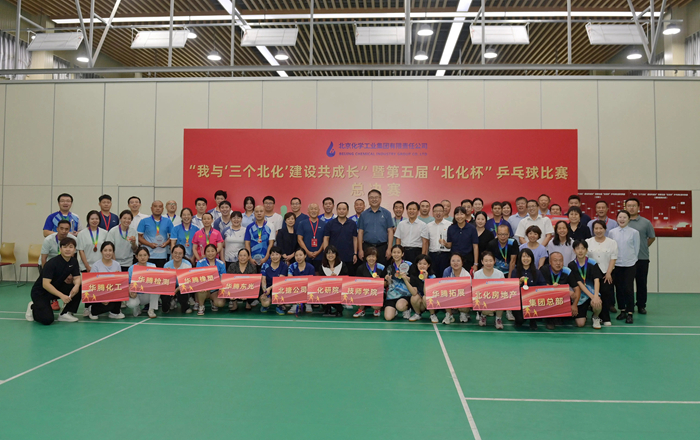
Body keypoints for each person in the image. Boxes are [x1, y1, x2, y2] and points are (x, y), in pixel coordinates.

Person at [26, 237, 82, 325]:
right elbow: (45, 284)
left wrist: (77, 286)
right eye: (65, 247)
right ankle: (33, 306)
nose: (68, 249)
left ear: (75, 249)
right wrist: (62, 296)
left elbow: (77, 277)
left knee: (80, 287)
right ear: (60, 249)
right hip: (41, 292)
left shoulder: (74, 261)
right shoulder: (52, 263)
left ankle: (65, 313)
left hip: (56, 287)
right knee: (47, 320)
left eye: (71, 247)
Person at [608, 210, 640, 324]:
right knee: (619, 288)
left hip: (630, 264)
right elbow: (611, 248)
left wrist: (632, 260)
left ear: (629, 219)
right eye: (620, 217)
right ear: (617, 219)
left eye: (624, 217)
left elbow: (636, 248)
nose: (622, 219)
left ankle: (630, 312)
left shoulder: (634, 232)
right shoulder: (612, 232)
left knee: (628, 288)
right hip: (616, 264)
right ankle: (622, 310)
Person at [625, 198, 656, 315]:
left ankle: (641, 305)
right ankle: (628, 306)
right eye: (629, 206)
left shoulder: (646, 222)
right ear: (625, 207)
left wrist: (641, 246)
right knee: (627, 284)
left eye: (634, 206)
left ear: (638, 208)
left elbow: (652, 237)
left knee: (641, 283)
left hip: (642, 258)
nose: (631, 208)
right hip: (626, 259)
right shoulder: (622, 221)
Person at [568, 240, 604, 329]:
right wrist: (592, 296)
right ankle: (584, 313)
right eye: (578, 248)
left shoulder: (593, 263)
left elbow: (596, 280)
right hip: (580, 294)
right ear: (574, 250)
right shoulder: (572, 265)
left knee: (597, 303)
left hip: (593, 290)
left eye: (583, 248)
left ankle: (595, 316)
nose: (580, 251)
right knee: (580, 324)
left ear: (586, 250)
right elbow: (579, 283)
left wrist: (595, 296)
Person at [586, 220, 618, 321]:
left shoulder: (612, 242)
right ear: (593, 230)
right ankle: (594, 314)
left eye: (601, 228)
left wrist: (609, 273)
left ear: (605, 229)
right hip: (591, 274)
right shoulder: (588, 242)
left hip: (606, 273)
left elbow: (613, 258)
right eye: (596, 228)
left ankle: (605, 317)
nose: (598, 231)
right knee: (593, 294)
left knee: (605, 294)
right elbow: (585, 258)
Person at [85, 241, 125, 320]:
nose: (108, 253)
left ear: (113, 252)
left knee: (119, 293)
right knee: (95, 315)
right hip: (99, 294)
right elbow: (91, 285)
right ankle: (92, 309)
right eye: (105, 250)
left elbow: (119, 284)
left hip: (112, 294)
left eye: (110, 250)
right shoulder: (96, 265)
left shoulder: (117, 264)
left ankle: (114, 312)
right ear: (101, 252)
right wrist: (102, 297)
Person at [510, 248, 546, 329]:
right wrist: (519, 282)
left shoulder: (537, 272)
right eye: (523, 256)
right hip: (519, 301)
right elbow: (511, 289)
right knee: (519, 320)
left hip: (533, 300)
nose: (526, 259)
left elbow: (543, 285)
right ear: (520, 258)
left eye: (528, 256)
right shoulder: (515, 271)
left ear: (532, 258)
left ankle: (533, 320)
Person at [357, 190, 395, 265]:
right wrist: (360, 250)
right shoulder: (363, 214)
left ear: (380, 199)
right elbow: (360, 232)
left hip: (382, 247)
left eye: (376, 197)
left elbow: (390, 231)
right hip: (367, 247)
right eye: (371, 197)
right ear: (368, 199)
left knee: (382, 269)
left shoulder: (386, 213)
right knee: (367, 269)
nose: (374, 199)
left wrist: (389, 249)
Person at [539, 251, 573, 330]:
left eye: (560, 260)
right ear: (550, 262)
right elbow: (544, 287)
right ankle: (549, 320)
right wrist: (558, 289)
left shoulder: (567, 271)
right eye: (555, 260)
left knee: (579, 321)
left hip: (561, 297)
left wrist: (574, 305)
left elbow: (576, 288)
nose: (558, 263)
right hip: (547, 296)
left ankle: (560, 316)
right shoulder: (544, 269)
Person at [322, 202, 358, 276]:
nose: (341, 211)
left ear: (347, 211)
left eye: (344, 209)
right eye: (339, 209)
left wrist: (355, 253)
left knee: (349, 277)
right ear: (336, 210)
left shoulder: (352, 223)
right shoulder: (330, 224)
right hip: (334, 257)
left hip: (348, 256)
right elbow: (326, 239)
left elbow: (355, 239)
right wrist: (326, 253)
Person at [473, 251, 506, 329]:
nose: (488, 263)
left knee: (503, 297)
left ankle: (498, 319)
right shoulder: (477, 274)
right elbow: (475, 292)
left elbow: (504, 290)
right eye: (486, 261)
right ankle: (483, 316)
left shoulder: (500, 274)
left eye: (490, 260)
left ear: (494, 261)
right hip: (483, 299)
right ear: (482, 262)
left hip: (496, 298)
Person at [137, 201, 173, 268]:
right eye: (155, 206)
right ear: (151, 208)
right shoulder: (144, 221)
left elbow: (173, 237)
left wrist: (166, 243)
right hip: (148, 255)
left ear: (163, 209)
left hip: (162, 255)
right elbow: (139, 237)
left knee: (160, 274)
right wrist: (149, 244)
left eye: (160, 206)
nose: (158, 208)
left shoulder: (168, 221)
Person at [194, 244, 227, 316]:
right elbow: (198, 278)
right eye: (208, 251)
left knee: (220, 303)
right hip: (204, 289)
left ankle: (213, 302)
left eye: (212, 251)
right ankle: (201, 306)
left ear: (216, 252)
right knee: (200, 289)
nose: (210, 253)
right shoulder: (200, 263)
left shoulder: (221, 264)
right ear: (205, 253)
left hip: (215, 290)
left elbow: (223, 279)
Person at [383, 245, 413, 321]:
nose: (396, 254)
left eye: (398, 252)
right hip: (391, 295)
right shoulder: (389, 267)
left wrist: (405, 277)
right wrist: (388, 280)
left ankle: (407, 309)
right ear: (391, 254)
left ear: (402, 254)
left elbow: (414, 281)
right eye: (394, 252)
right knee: (388, 317)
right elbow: (387, 284)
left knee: (400, 306)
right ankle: (394, 310)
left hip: (405, 294)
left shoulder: (409, 265)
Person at [126, 247, 158, 318]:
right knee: (132, 304)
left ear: (148, 256)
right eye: (140, 255)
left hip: (147, 294)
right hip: (136, 294)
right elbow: (128, 283)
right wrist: (131, 292)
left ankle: (151, 310)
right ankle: (136, 307)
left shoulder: (152, 266)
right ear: (136, 256)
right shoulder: (131, 268)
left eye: (145, 255)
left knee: (157, 289)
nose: (142, 257)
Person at [352, 246, 384, 318]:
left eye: (373, 256)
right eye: (369, 256)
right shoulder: (361, 268)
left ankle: (377, 309)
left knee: (376, 306)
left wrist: (380, 281)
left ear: (376, 257)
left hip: (377, 291)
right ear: (366, 257)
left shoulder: (381, 267)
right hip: (364, 291)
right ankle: (361, 309)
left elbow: (386, 283)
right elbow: (356, 283)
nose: (371, 258)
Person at [441, 253, 472, 324]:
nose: (455, 263)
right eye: (453, 261)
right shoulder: (447, 271)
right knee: (444, 294)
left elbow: (468, 293)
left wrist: (457, 302)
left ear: (462, 263)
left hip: (462, 297)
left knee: (466, 304)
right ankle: (449, 315)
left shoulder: (466, 275)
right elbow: (442, 288)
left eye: (458, 261)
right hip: (451, 295)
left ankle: (463, 313)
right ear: (450, 262)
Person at [445, 206, 479, 271]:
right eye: (457, 214)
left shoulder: (472, 228)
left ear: (465, 215)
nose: (459, 216)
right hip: (454, 260)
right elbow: (449, 245)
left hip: (468, 260)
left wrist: (475, 264)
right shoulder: (451, 228)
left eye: (462, 214)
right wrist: (445, 244)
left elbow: (475, 246)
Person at [406, 254, 437, 322]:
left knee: (426, 297)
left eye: (424, 264)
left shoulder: (432, 276)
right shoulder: (414, 276)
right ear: (417, 264)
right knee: (414, 297)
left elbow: (427, 293)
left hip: (432, 302)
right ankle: (418, 314)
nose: (422, 266)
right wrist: (405, 279)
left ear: (428, 265)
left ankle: (433, 314)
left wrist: (426, 279)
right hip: (421, 303)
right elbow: (414, 292)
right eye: (420, 263)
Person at [164, 245, 194, 313]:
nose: (177, 255)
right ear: (172, 253)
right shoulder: (166, 265)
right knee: (165, 309)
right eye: (175, 253)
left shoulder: (187, 265)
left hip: (183, 285)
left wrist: (176, 290)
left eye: (180, 253)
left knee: (182, 291)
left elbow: (187, 281)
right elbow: (165, 282)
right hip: (171, 286)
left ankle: (186, 306)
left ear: (183, 255)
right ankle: (171, 301)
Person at [296, 203, 326, 273]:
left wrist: (318, 252)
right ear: (308, 211)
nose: (313, 211)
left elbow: (325, 240)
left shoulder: (324, 224)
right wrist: (307, 252)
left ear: (319, 211)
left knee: (318, 275)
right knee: (306, 275)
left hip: (319, 256)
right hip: (305, 256)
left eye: (315, 209)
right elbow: (299, 239)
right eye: (311, 209)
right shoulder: (302, 223)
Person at [320, 245, 348, 317]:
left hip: (339, 290)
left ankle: (339, 309)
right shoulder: (322, 267)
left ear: (336, 254)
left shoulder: (342, 265)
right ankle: (327, 308)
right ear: (325, 255)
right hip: (327, 290)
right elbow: (320, 282)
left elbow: (346, 279)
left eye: (333, 253)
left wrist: (337, 279)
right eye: (328, 253)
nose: (330, 255)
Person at [260, 246, 289, 315]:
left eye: (277, 254)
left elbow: (280, 281)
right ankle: (266, 305)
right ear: (270, 256)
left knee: (282, 290)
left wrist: (270, 288)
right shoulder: (265, 265)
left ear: (280, 255)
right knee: (265, 303)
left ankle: (279, 306)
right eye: (272, 254)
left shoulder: (284, 266)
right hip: (267, 288)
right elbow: (263, 280)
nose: (275, 257)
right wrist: (265, 291)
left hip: (278, 287)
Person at [425, 203, 451, 278]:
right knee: (433, 277)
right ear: (433, 213)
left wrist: (445, 244)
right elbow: (426, 242)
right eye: (436, 211)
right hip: (432, 255)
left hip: (445, 255)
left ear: (443, 212)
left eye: (440, 211)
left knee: (445, 277)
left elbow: (452, 242)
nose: (438, 213)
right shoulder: (428, 226)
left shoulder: (450, 225)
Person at [287, 248, 316, 314]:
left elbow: (312, 283)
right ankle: (295, 305)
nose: (298, 257)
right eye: (296, 255)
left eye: (300, 255)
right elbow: (290, 280)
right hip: (295, 288)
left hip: (306, 288)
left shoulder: (311, 267)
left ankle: (308, 303)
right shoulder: (292, 266)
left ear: (305, 256)